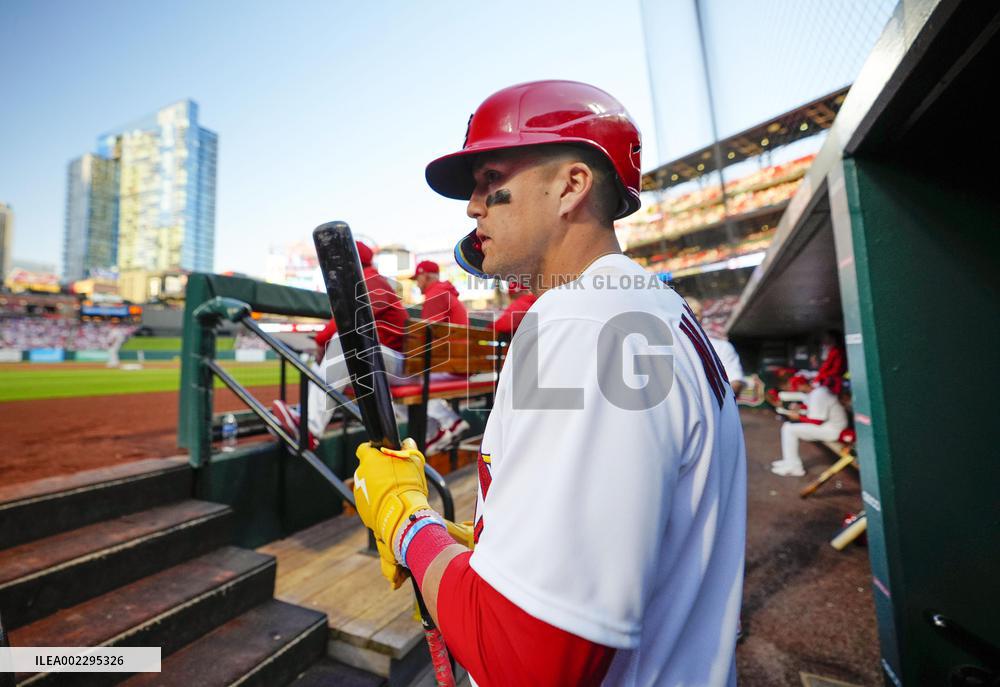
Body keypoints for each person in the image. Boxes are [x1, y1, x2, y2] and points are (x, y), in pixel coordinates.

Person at [350, 80, 746, 686]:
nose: (472, 206)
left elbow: (529, 661)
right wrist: (481, 553)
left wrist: (408, 525)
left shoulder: (582, 323)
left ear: (571, 186)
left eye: (491, 179)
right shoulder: (648, 307)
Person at [271, 241, 408, 449]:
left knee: (346, 343)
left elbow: (347, 318)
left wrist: (320, 341)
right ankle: (303, 416)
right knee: (344, 346)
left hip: (400, 365)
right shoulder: (370, 280)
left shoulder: (370, 280)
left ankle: (309, 427)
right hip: (391, 361)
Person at [410, 259, 471, 453]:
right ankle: (436, 434)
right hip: (461, 364)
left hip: (454, 366)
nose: (416, 283)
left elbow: (425, 338)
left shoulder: (437, 295)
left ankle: (449, 423)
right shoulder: (445, 293)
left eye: (417, 278)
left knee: (406, 380)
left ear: (426, 276)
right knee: (410, 377)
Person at [770, 377, 849, 477]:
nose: (797, 390)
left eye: (797, 387)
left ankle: (795, 467)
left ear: (802, 385)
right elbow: (812, 410)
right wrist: (800, 409)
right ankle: (789, 461)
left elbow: (817, 421)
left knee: (789, 429)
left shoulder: (819, 393)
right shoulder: (815, 391)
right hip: (829, 426)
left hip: (835, 430)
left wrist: (798, 416)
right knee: (788, 427)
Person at [687, 297, 746, 396]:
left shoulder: (721, 347)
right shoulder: (662, 347)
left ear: (702, 317)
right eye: (687, 313)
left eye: (696, 314)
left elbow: (735, 381)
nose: (691, 317)